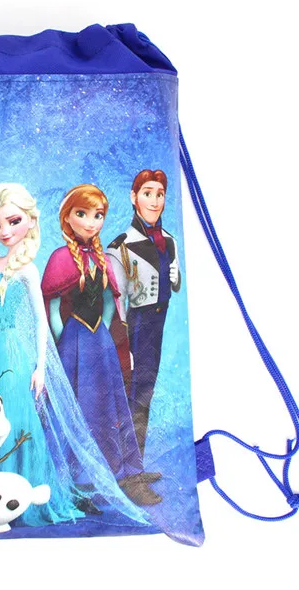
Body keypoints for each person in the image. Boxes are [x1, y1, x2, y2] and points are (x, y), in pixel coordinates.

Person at [0, 183, 149, 528]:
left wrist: (41, 366)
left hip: (14, 353)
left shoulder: (27, 269)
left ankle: (22, 493)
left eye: (13, 221)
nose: (4, 231)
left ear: (29, 221)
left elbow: (42, 321)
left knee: (15, 418)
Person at [41, 184, 161, 506]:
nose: (91, 222)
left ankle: (113, 467)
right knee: (76, 403)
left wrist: (104, 333)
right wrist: (64, 339)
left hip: (100, 341)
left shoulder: (100, 258)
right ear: (67, 217)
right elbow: (53, 306)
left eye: (98, 216)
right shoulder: (60, 258)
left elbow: (109, 300)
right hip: (73, 340)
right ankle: (76, 477)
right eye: (82, 214)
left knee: (107, 404)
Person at [105, 170, 181, 458]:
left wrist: (175, 277)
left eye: (160, 194)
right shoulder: (121, 246)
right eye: (147, 193)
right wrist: (123, 342)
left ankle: (135, 460)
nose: (155, 201)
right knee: (131, 391)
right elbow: (116, 301)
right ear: (134, 197)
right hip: (136, 324)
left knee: (146, 390)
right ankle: (123, 461)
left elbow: (176, 283)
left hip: (159, 322)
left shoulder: (169, 240)